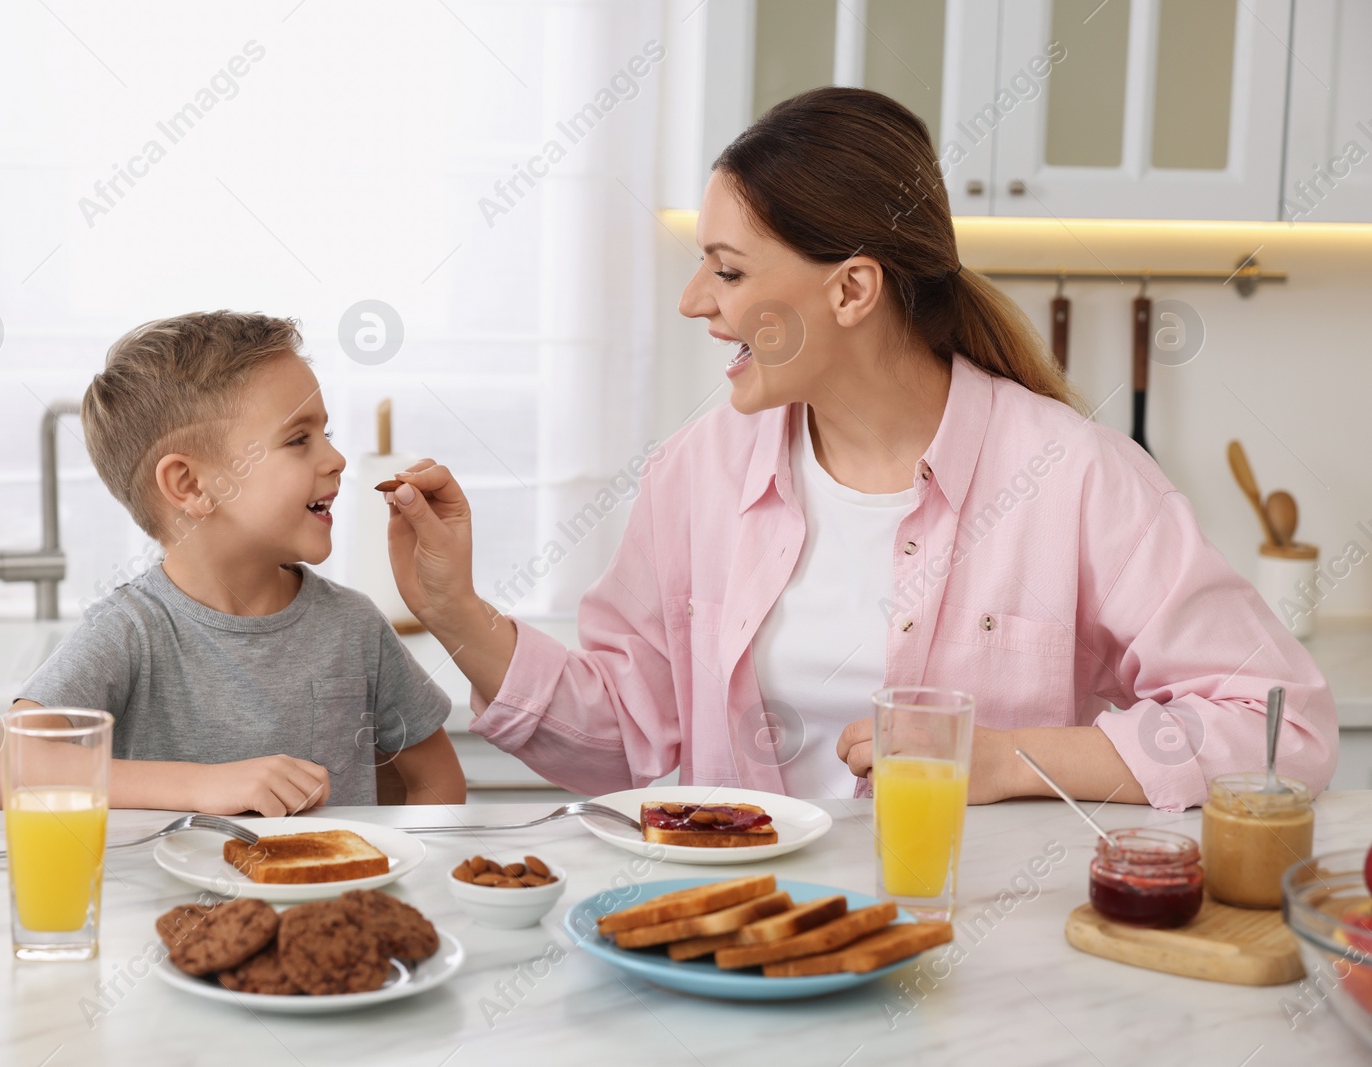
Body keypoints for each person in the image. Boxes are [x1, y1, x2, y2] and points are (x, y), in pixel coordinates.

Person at [377, 87, 1337, 812]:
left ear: (851, 291)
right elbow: (625, 733)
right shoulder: (699, 473)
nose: (694, 302)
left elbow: (1280, 724)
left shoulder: (1076, 476)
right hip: (743, 945)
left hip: (983, 965)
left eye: (728, 270)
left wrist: (1008, 758)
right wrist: (455, 610)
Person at [0, 312, 465, 813]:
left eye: (326, 432)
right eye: (298, 439)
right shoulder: (131, 632)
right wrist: (203, 786)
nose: (336, 458)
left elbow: (439, 780)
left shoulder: (354, 627)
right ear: (190, 486)